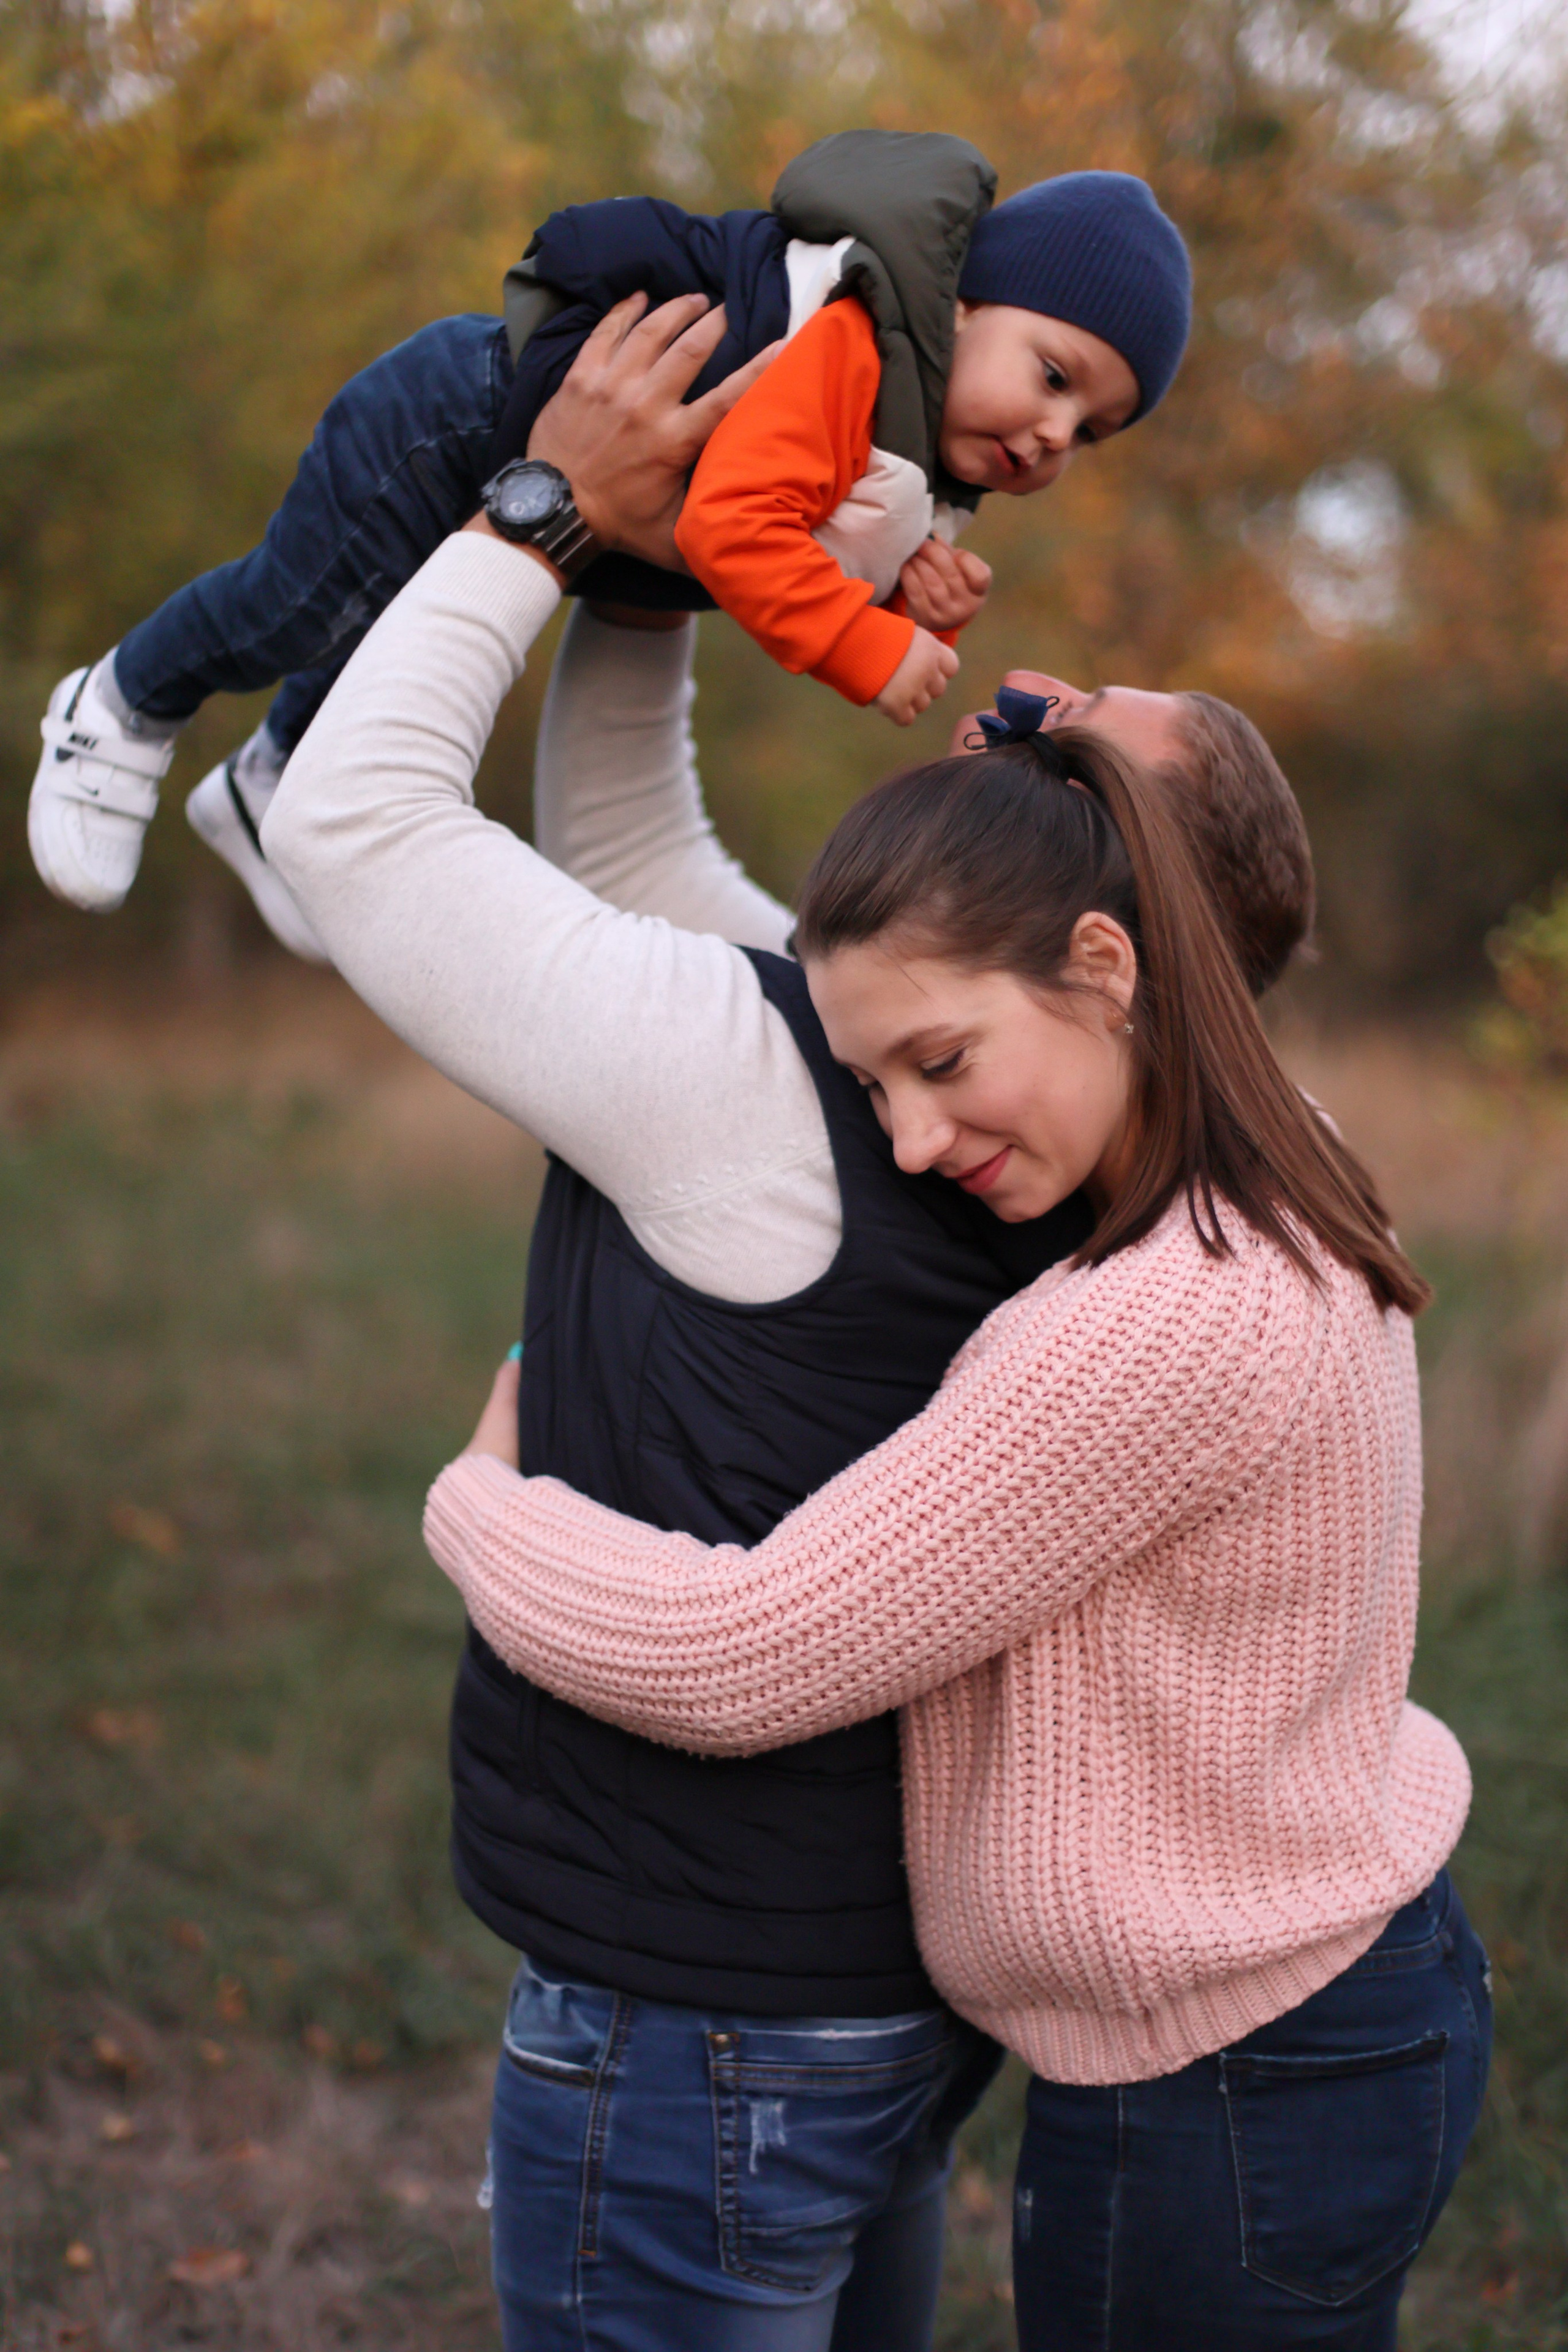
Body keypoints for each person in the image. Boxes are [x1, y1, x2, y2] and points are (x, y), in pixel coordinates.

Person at [255, 296, 1321, 2350]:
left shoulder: (804, 1094)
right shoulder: (1028, 1111)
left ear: (1109, 941)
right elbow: (640, 855)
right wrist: (679, 554)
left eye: (1052, 734)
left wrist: (552, 502)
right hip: (879, 1983)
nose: (1003, 704)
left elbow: (354, 827)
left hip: (695, 2004)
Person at [424, 684, 1490, 2347]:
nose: (912, 1142)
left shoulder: (1158, 1315)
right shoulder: (1281, 1165)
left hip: (1232, 2072)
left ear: (1109, 965)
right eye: (875, 1090)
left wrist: (482, 1503)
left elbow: (738, 1655)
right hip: (1299, 2014)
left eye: (942, 1064)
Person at [28, 126, 1191, 956]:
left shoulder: (911, 448)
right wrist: (868, 649)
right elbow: (735, 531)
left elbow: (778, 548)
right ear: (967, 308)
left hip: (531, 481)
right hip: (450, 421)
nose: (1052, 433)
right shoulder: (852, 352)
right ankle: (121, 702)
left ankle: (266, 780)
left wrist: (900, 604)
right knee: (295, 610)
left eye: (1090, 430)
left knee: (370, 626)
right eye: (1053, 377)